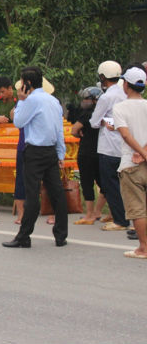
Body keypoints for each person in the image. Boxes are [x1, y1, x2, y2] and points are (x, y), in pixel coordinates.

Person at [3, 66, 67, 248]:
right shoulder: (53, 101)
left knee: (32, 195)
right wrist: (60, 152)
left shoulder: (31, 101)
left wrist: (21, 101)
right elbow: (58, 129)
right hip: (51, 151)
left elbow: (18, 122)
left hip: (35, 152)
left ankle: (24, 236)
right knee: (57, 194)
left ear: (27, 84)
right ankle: (61, 235)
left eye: (21, 82)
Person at [90, 60, 129, 232]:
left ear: (103, 77)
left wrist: (104, 121)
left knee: (110, 184)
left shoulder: (106, 97)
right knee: (123, 185)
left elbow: (93, 122)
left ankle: (119, 219)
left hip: (108, 147)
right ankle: (125, 215)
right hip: (125, 145)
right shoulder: (125, 94)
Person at [112, 67, 147, 259]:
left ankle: (143, 248)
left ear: (126, 85)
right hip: (144, 160)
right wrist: (145, 152)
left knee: (137, 208)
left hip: (130, 163)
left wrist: (140, 153)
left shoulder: (120, 107)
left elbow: (125, 134)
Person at [71, 86, 107, 225]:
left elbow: (74, 130)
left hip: (86, 152)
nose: (84, 101)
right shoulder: (104, 113)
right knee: (104, 183)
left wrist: (80, 133)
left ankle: (90, 214)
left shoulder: (87, 114)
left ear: (94, 100)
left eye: (87, 98)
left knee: (87, 182)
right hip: (101, 151)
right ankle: (98, 211)